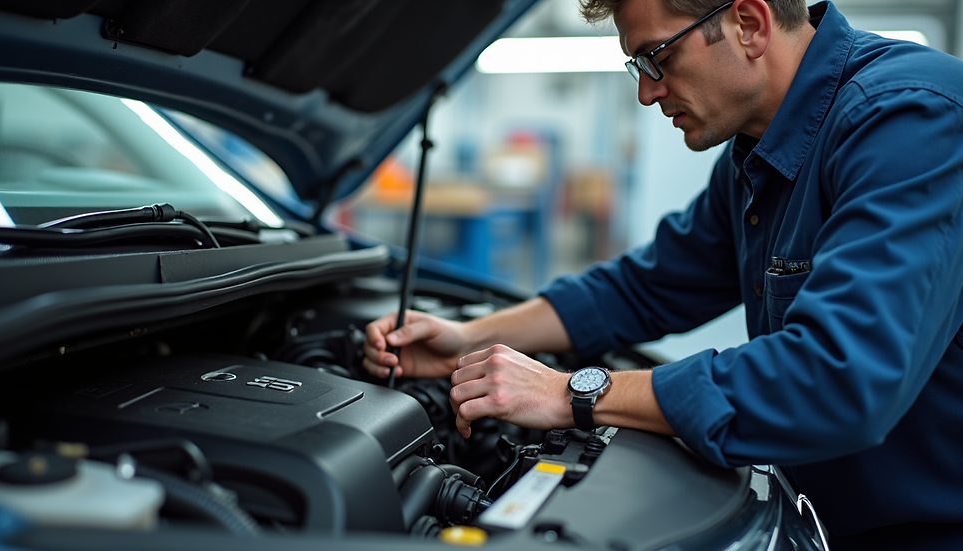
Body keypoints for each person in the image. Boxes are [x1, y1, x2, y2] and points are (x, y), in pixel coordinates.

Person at [363, 0, 963, 548]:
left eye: (658, 57)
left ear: (748, 24)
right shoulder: (757, 153)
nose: (648, 93)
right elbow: (646, 286)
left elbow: (837, 378)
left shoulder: (910, 120)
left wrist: (574, 393)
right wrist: (468, 338)